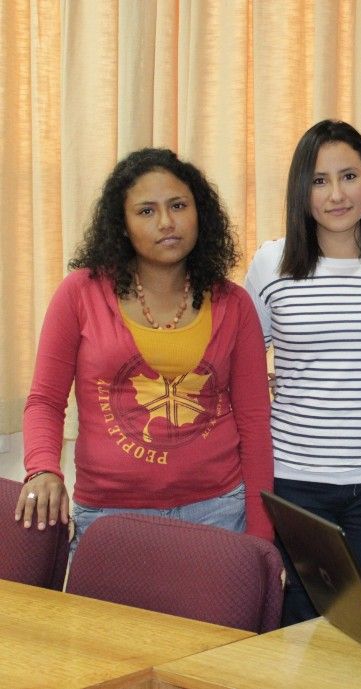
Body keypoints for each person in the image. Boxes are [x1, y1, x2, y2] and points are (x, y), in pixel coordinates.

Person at [16, 148, 273, 547]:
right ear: (122, 225)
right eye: (146, 211)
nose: (166, 222)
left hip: (220, 513)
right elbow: (45, 401)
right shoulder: (80, 293)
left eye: (178, 205)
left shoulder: (234, 304)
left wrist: (261, 536)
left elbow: (254, 422)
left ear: (200, 213)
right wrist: (43, 468)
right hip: (109, 516)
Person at [245, 120, 361, 625]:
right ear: (301, 190)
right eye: (319, 181)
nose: (336, 194)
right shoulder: (272, 262)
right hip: (295, 484)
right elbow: (244, 362)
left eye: (349, 176)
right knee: (298, 634)